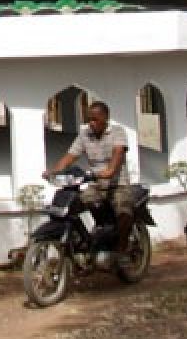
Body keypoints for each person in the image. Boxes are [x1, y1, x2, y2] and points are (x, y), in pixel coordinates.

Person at [44, 100, 134, 267]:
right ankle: (85, 241)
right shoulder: (85, 134)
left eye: (95, 119)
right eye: (89, 119)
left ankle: (122, 250)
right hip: (96, 184)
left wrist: (109, 171)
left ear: (105, 118)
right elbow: (70, 156)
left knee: (123, 210)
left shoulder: (117, 132)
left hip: (117, 183)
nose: (91, 123)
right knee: (73, 205)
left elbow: (118, 153)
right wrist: (53, 171)